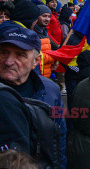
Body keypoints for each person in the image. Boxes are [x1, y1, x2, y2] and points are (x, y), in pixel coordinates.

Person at [0, 26, 67, 167]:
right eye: (4, 52)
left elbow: (59, 137)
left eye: (20, 55)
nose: (8, 61)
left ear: (36, 61)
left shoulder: (51, 91)